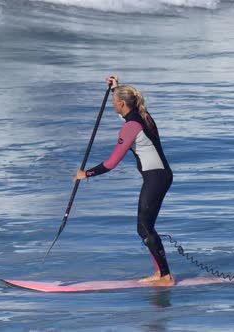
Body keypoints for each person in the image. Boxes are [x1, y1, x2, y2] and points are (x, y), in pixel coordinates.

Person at [74, 75, 174, 286]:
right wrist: (115, 88)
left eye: (114, 102)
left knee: (144, 227)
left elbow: (111, 163)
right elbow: (127, 119)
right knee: (146, 227)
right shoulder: (142, 117)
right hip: (160, 175)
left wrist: (87, 174)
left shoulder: (131, 127)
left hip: (156, 177)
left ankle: (165, 277)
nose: (113, 106)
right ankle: (161, 274)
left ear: (121, 104)